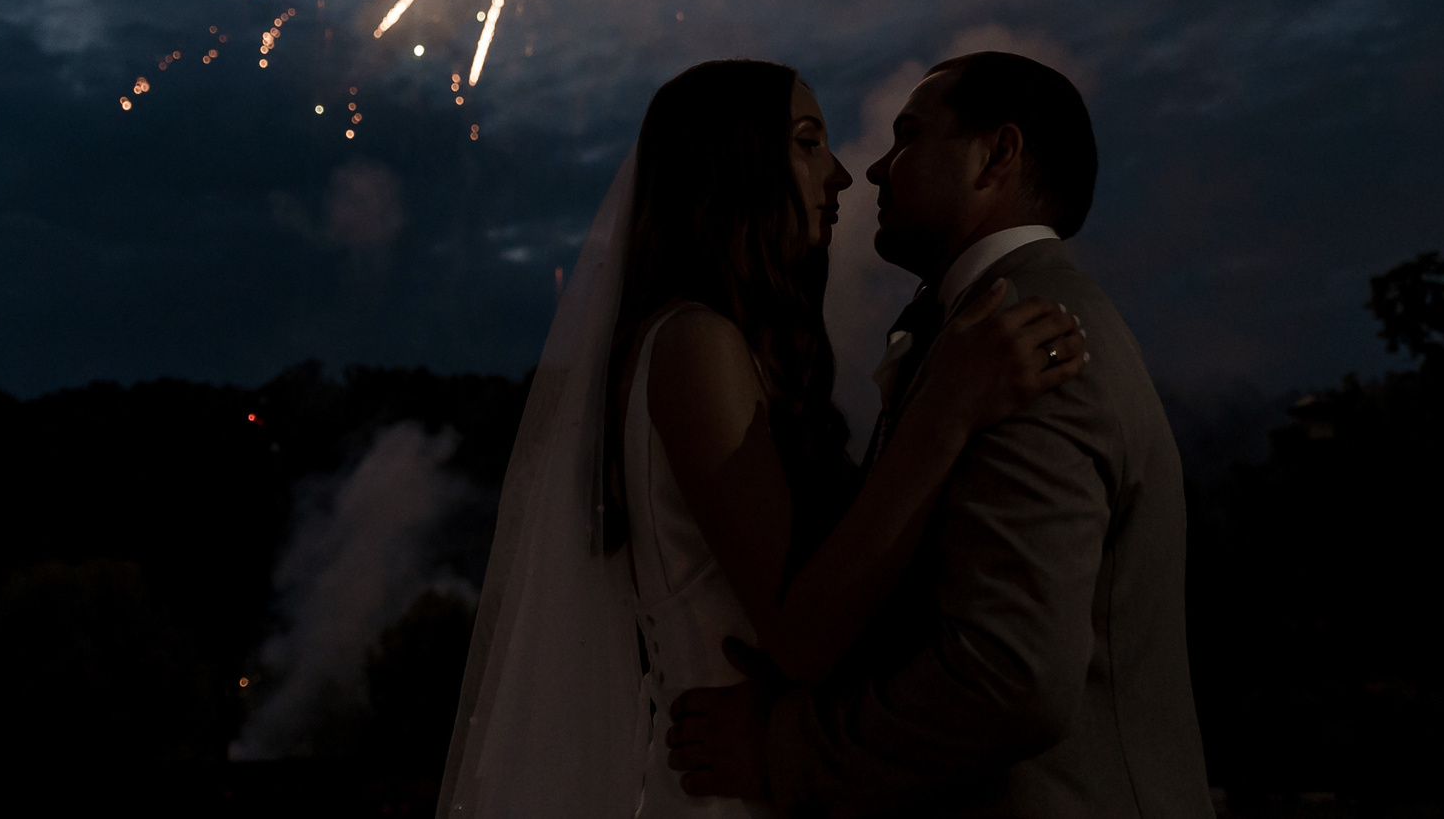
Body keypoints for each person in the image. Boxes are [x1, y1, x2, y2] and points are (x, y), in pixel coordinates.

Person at [437, 59, 1089, 818]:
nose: (842, 175)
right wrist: (943, 410)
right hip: (728, 791)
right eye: (808, 143)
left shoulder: (720, 346)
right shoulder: (693, 343)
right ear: (732, 168)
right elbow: (802, 637)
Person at [667, 52, 1213, 817]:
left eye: (909, 136)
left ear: (998, 154)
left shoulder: (1025, 334)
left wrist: (786, 749)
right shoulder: (979, 333)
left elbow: (1011, 675)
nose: (874, 170)